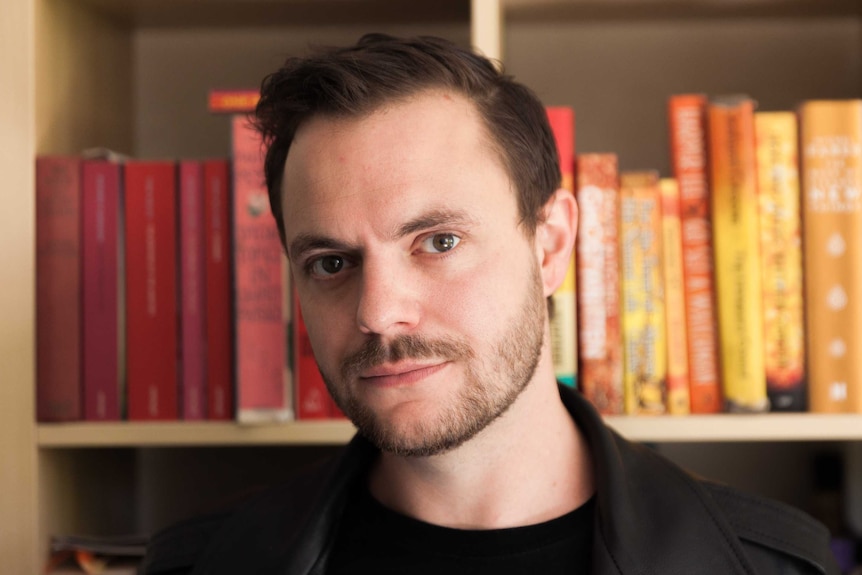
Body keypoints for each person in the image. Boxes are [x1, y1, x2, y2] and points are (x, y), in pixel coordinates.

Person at [142, 34, 838, 575]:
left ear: (551, 246)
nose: (378, 313)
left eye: (438, 241)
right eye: (331, 263)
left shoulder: (772, 566)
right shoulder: (200, 565)